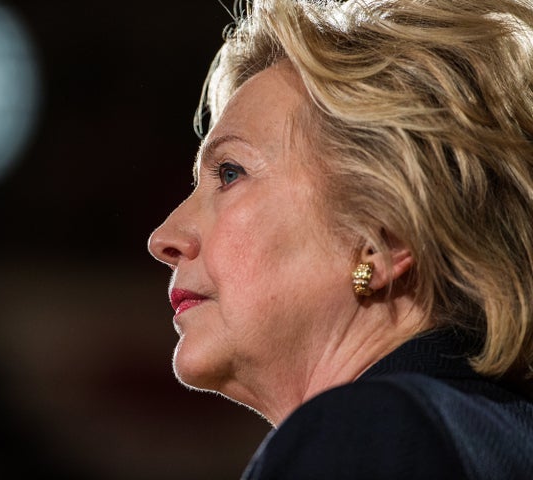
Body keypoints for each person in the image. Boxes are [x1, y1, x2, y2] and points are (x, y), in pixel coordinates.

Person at [147, 0, 533, 478]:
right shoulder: (495, 436)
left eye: (230, 172)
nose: (164, 238)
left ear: (383, 239)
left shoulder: (368, 431)